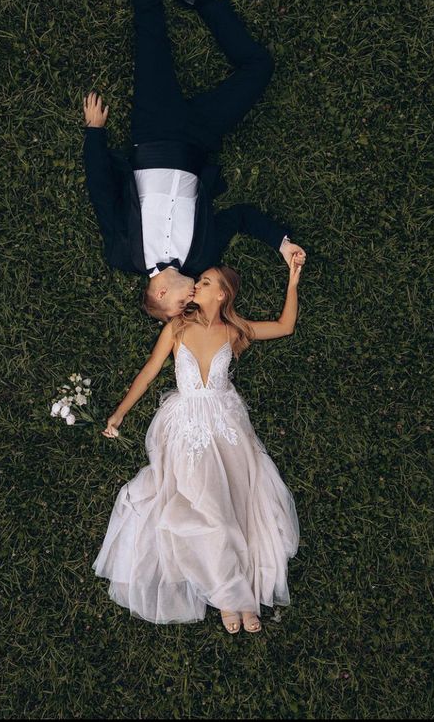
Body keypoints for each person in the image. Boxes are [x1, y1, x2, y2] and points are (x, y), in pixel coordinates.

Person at [82, 0, 306, 322]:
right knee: (259, 68)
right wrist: (283, 243)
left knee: (149, 29)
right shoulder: (202, 256)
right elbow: (239, 217)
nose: (190, 303)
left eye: (178, 307)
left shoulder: (123, 253)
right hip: (198, 139)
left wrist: (94, 134)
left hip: (151, 130)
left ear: (159, 293)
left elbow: (102, 193)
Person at [92, 256, 302, 633]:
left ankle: (241, 596)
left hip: (228, 431)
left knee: (236, 512)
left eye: (205, 282)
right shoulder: (176, 327)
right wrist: (120, 413)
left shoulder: (235, 332)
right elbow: (149, 372)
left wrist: (292, 281)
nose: (196, 286)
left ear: (222, 294)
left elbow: (286, 327)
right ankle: (231, 600)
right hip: (186, 429)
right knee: (210, 515)